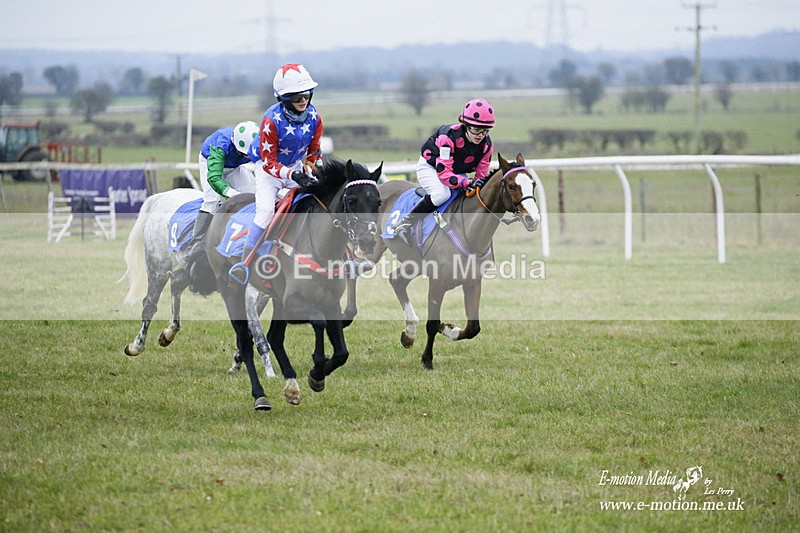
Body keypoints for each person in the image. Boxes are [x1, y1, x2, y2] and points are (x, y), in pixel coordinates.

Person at [240, 63, 324, 264]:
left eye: (306, 94)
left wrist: (314, 167)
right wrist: (293, 175)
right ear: (284, 98)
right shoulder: (271, 121)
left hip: (294, 167)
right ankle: (245, 261)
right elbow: (269, 163)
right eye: (297, 97)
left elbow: (314, 150)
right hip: (268, 171)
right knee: (266, 212)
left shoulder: (314, 117)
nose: (303, 100)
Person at [390, 98, 495, 245]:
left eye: (485, 131)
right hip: (431, 167)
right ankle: (405, 223)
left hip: (456, 171)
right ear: (465, 125)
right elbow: (444, 174)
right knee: (442, 195)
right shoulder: (448, 137)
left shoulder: (487, 146)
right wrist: (466, 182)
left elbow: (481, 176)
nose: (480, 135)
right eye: (476, 130)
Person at [182, 121, 260, 268]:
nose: (250, 156)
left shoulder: (255, 142)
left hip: (235, 167)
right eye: (246, 154)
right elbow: (214, 178)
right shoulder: (220, 146)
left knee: (252, 194)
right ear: (239, 148)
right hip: (210, 163)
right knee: (211, 200)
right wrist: (231, 193)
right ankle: (195, 243)